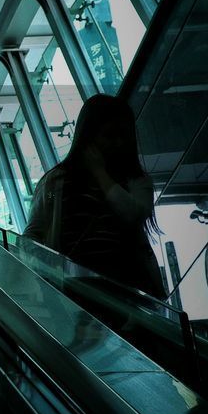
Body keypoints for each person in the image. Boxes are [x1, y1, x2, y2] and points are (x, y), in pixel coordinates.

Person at [23, 94, 165, 300]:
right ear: (88, 136)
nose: (118, 143)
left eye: (123, 136)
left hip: (120, 290)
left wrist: (100, 174)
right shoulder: (57, 180)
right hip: (86, 290)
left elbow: (133, 215)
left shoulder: (135, 179)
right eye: (109, 136)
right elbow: (32, 236)